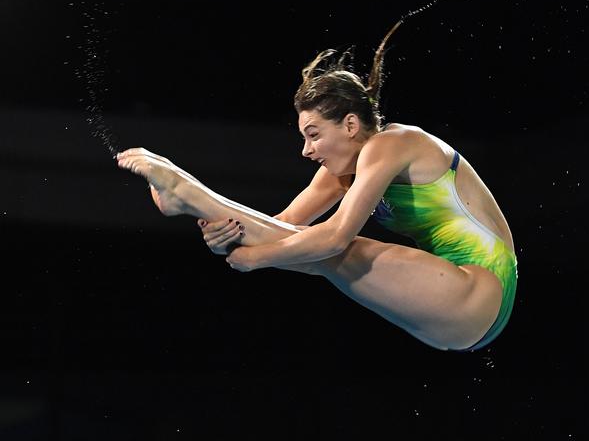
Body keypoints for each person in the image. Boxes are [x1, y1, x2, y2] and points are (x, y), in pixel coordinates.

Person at [116, 20, 518, 352]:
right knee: (310, 250)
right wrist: (230, 238)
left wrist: (256, 257)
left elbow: (336, 236)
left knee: (338, 251)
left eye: (313, 135)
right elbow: (284, 225)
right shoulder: (344, 168)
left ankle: (187, 194)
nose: (306, 151)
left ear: (349, 125)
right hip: (449, 313)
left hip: (481, 291)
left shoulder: (393, 144)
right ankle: (188, 198)